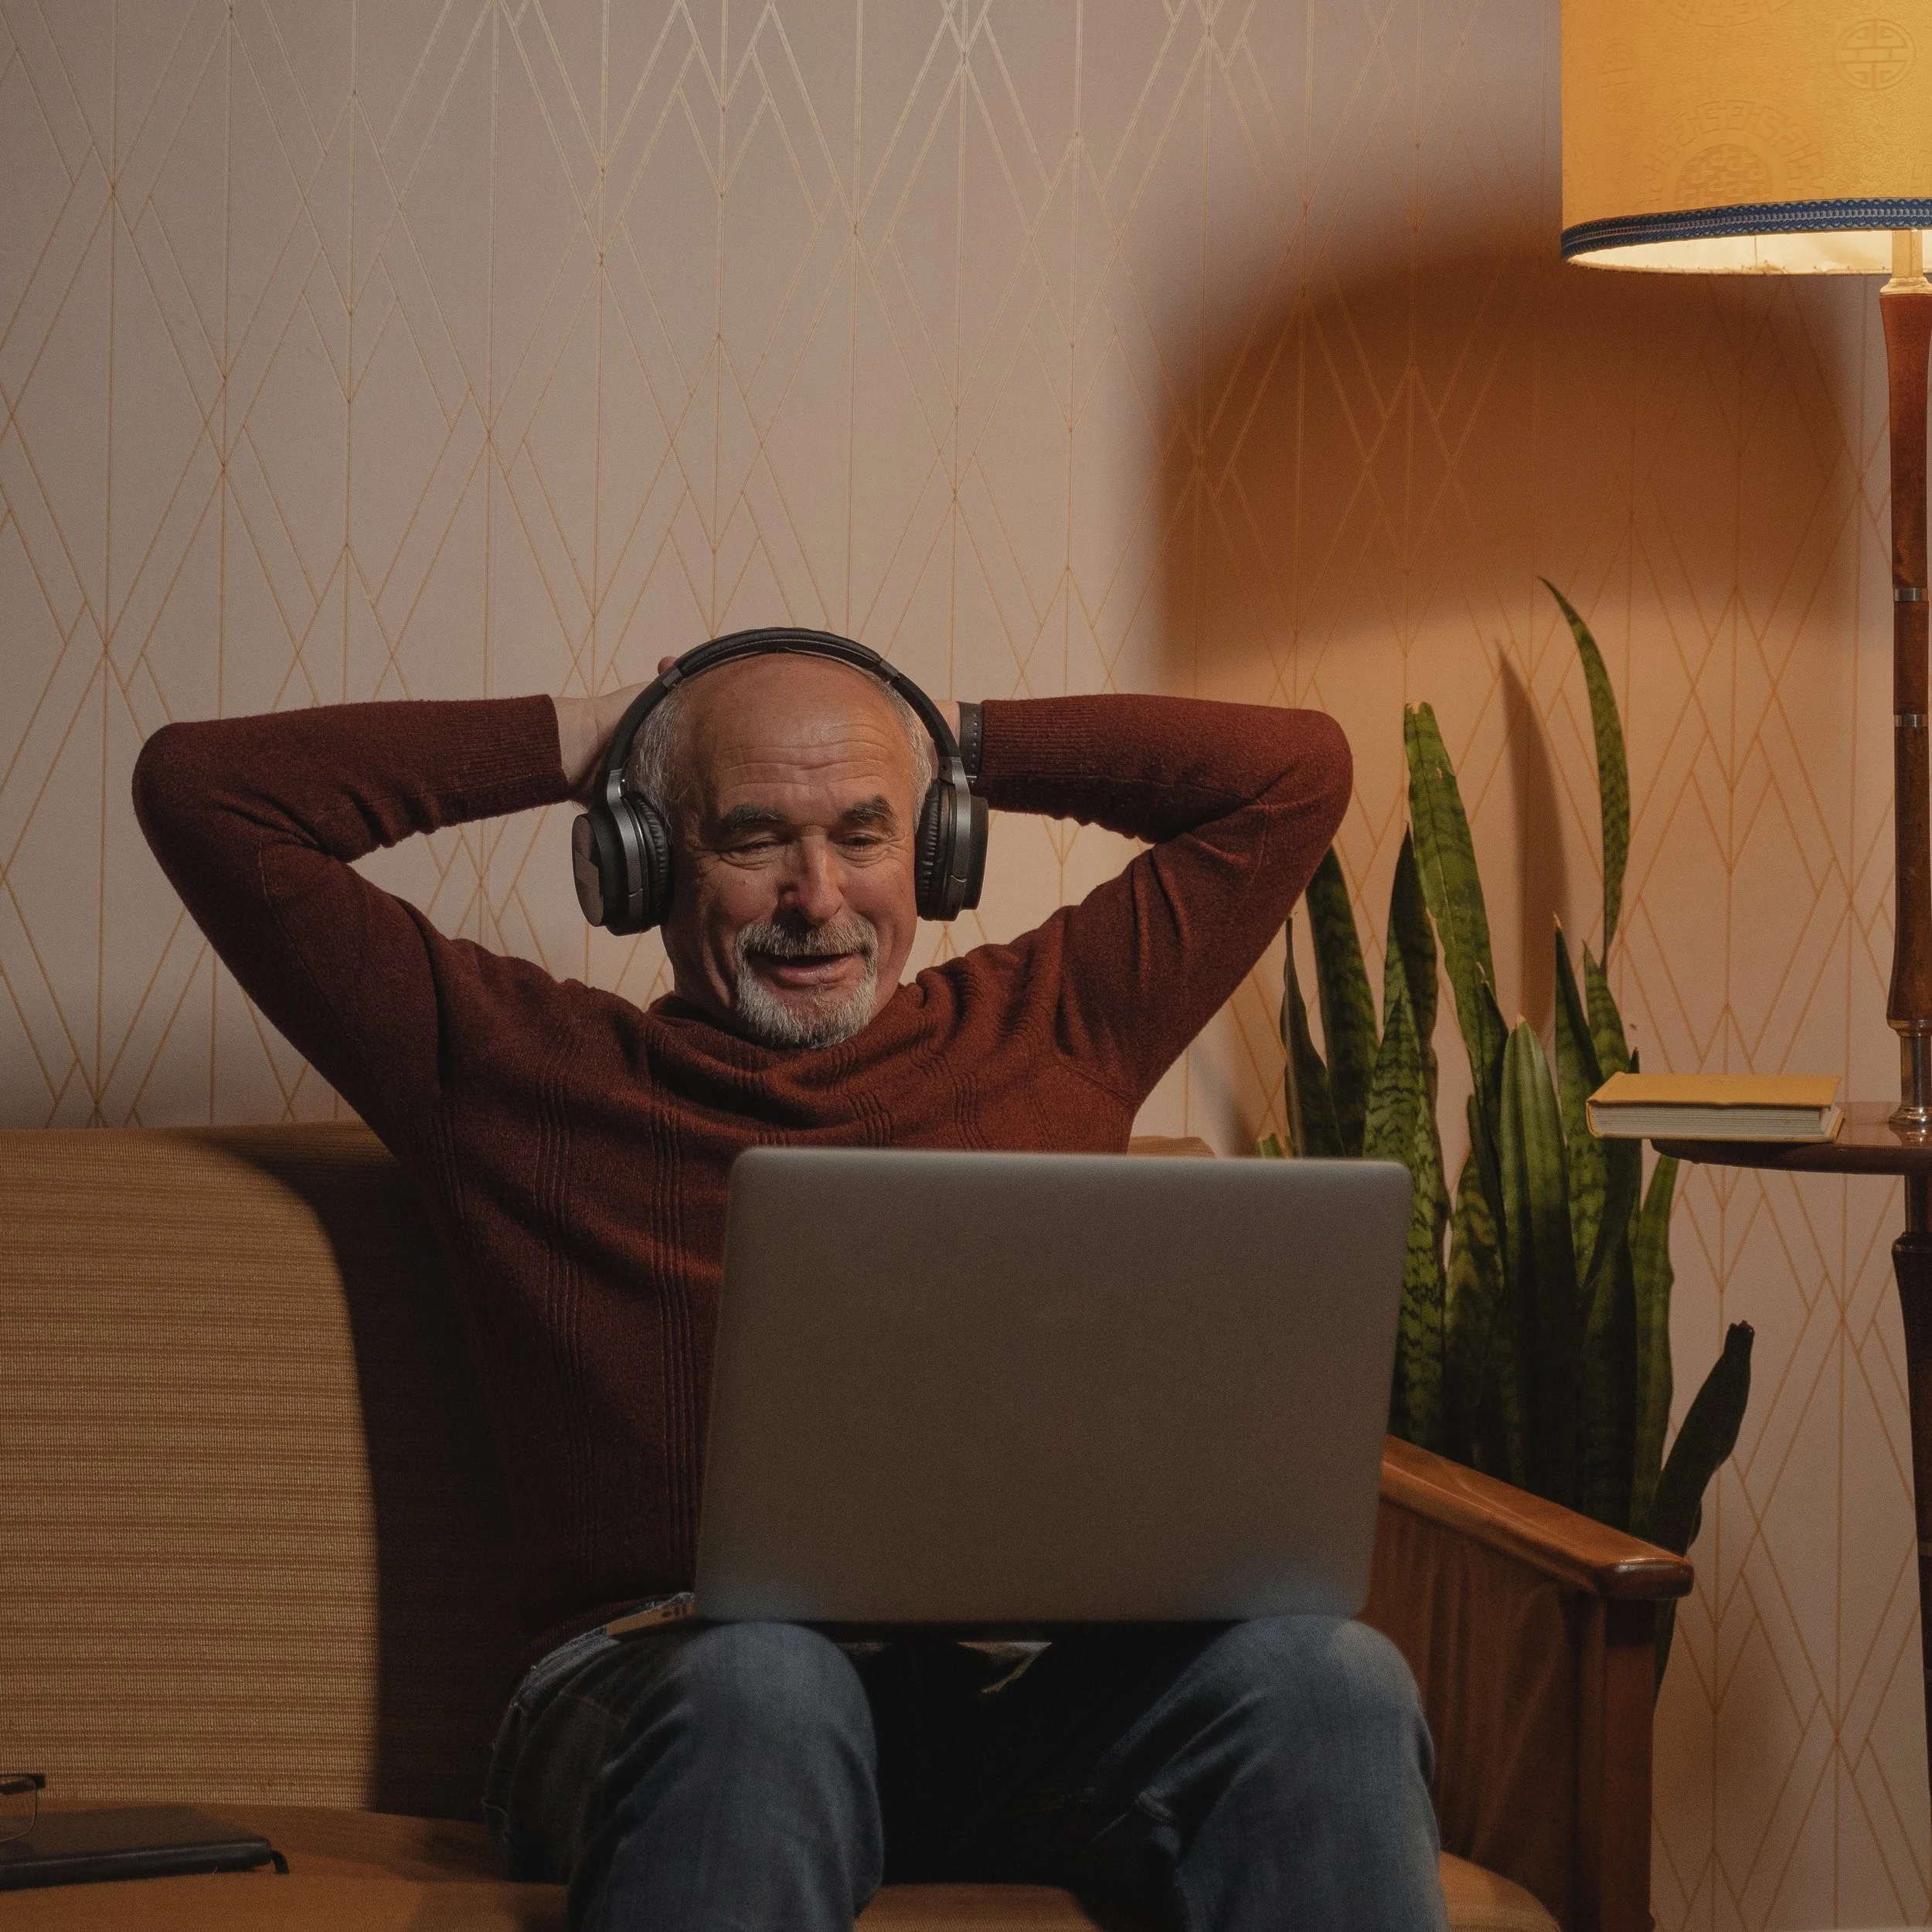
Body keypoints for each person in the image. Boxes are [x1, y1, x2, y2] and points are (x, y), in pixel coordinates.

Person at [132, 641, 1448, 1932]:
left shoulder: (1058, 1026)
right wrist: (595, 731)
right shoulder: (502, 1070)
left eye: (867, 835)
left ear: (934, 852)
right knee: (771, 1682)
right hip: (668, 1695)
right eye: (755, 838)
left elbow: (1294, 774)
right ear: (640, 863)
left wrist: (952, 735)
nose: (818, 895)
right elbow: (208, 795)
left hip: (1014, 1708)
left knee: (1328, 1677)